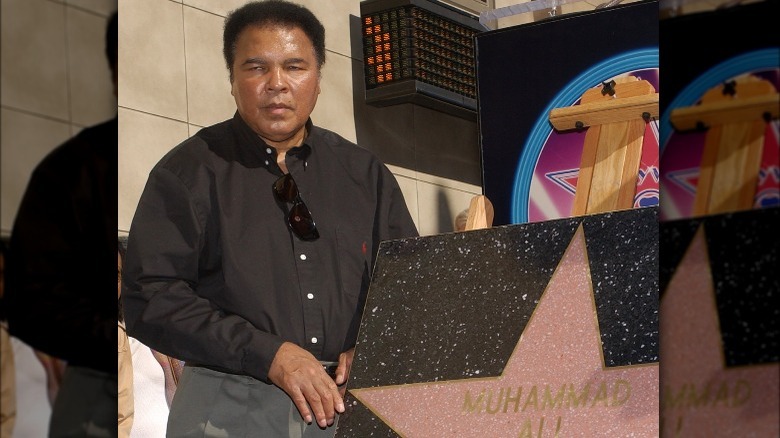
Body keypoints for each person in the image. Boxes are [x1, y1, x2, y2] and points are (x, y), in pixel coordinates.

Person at [121, 1, 418, 436]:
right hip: (226, 407)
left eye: (295, 66)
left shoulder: (365, 174)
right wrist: (270, 354)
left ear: (318, 78)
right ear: (232, 79)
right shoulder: (186, 173)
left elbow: (411, 282)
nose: (276, 84)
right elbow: (151, 297)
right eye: (256, 68)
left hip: (352, 406)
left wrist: (375, 344)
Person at [4, 11, 118, 437]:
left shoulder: (184, 173)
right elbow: (30, 303)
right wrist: (119, 340)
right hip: (96, 390)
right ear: (114, 72)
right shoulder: (72, 171)